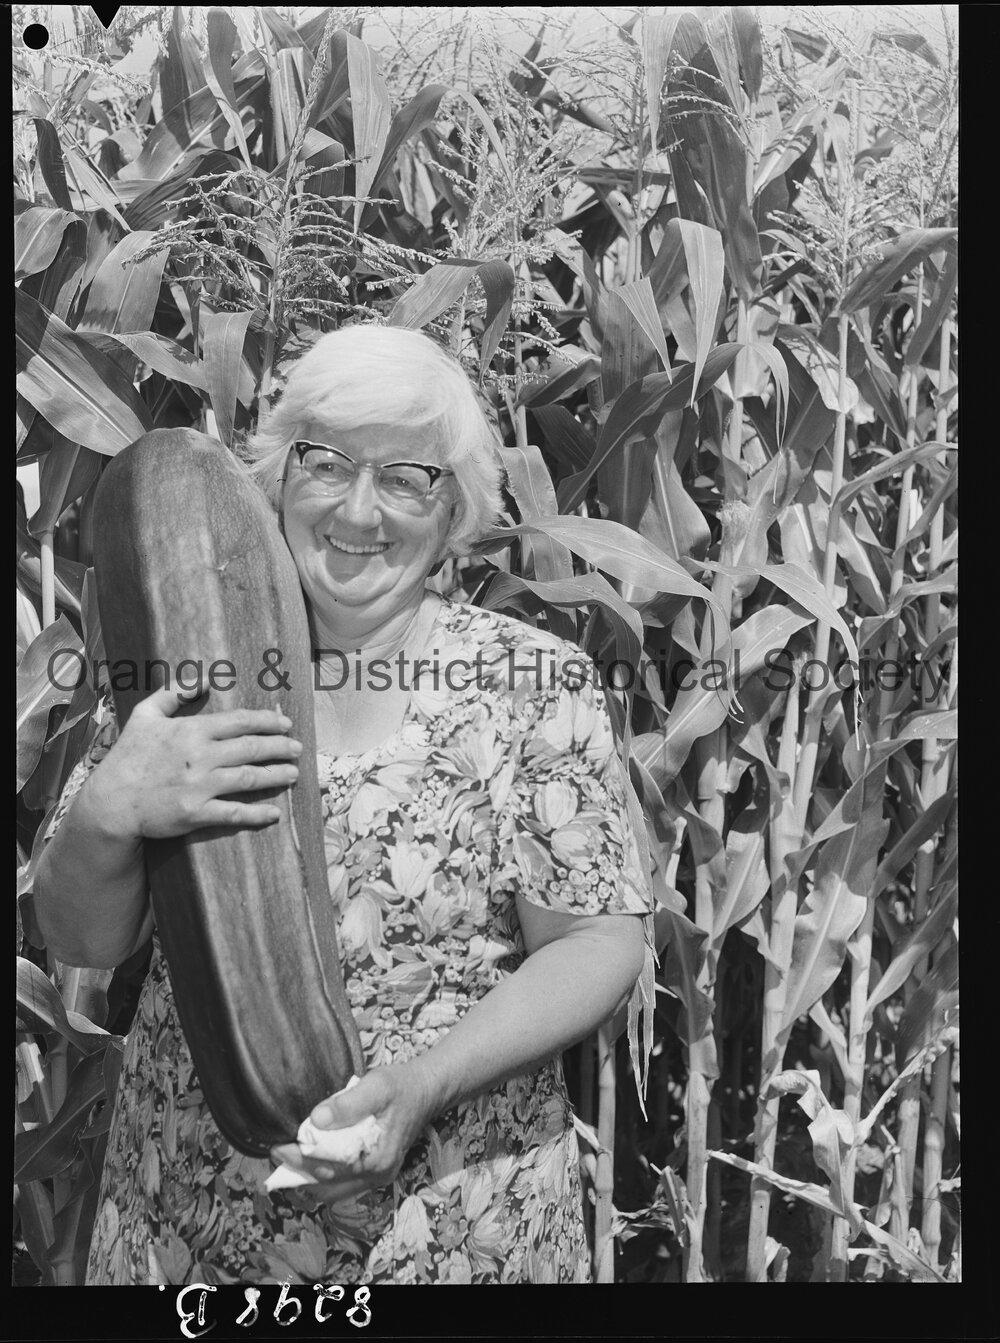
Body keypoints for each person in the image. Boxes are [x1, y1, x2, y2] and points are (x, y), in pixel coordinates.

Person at [34, 324, 655, 1286]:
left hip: (456, 1228)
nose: (360, 509)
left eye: (408, 476)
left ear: (454, 512)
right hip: (194, 1228)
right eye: (327, 463)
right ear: (278, 478)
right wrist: (112, 807)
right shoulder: (193, 665)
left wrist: (422, 1084)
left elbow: (599, 941)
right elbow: (79, 937)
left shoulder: (529, 682)